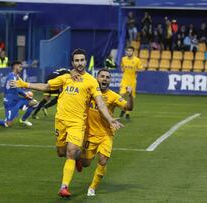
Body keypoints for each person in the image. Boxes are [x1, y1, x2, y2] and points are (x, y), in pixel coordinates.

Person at [10, 49, 123, 198]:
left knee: (70, 152)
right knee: (61, 152)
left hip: (77, 123)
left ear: (85, 61)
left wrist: (110, 119)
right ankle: (76, 159)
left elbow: (101, 103)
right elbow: (47, 87)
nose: (80, 63)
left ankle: (64, 187)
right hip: (61, 121)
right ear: (72, 63)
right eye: (77, 61)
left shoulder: (91, 81)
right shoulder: (65, 77)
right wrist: (25, 84)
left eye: (82, 60)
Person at [78, 68, 133, 197]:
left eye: (107, 77)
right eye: (102, 76)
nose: (105, 79)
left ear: (110, 81)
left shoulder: (113, 96)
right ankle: (77, 160)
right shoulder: (89, 91)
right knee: (85, 163)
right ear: (97, 78)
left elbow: (128, 107)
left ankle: (92, 187)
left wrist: (130, 95)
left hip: (106, 134)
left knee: (103, 160)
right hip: (89, 134)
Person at [0, 61, 37, 127]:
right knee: (8, 124)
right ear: (15, 66)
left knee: (34, 103)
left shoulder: (16, 77)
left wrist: (27, 96)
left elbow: (18, 88)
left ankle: (23, 120)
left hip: (17, 100)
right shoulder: (11, 76)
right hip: (10, 102)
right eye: (20, 67)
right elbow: (17, 89)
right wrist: (26, 95)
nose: (21, 69)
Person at [119, 46, 142, 120]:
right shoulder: (123, 59)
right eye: (127, 51)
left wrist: (136, 70)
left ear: (133, 52)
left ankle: (127, 114)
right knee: (121, 95)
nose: (128, 52)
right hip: (124, 81)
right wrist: (122, 69)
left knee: (130, 97)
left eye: (130, 51)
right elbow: (122, 67)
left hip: (132, 82)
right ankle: (123, 109)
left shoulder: (137, 60)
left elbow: (141, 69)